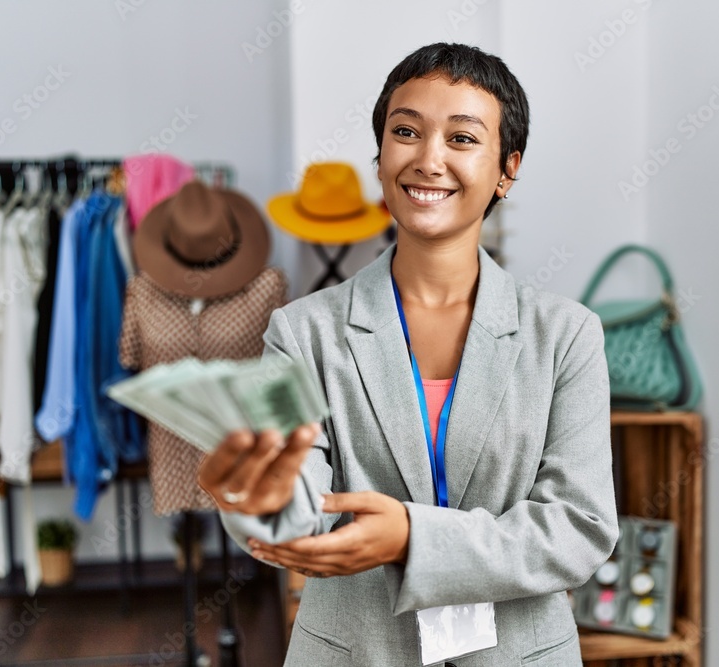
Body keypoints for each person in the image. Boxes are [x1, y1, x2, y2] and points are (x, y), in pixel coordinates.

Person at [198, 42, 619, 666]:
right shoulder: (301, 331)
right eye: (406, 131)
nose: (428, 159)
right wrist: (256, 498)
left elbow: (578, 529)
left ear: (508, 168)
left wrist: (412, 538)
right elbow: (298, 507)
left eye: (462, 138)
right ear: (379, 157)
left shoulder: (566, 336)